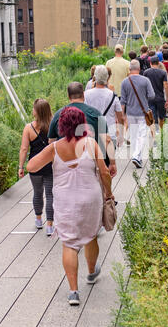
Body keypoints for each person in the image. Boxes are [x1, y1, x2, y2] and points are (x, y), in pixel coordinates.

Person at [27, 107, 114, 306]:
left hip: (65, 202)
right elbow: (104, 173)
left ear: (62, 125)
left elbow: (32, 166)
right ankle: (91, 273)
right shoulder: (90, 144)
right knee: (90, 236)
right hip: (90, 199)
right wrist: (108, 192)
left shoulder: (55, 148)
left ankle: (73, 291)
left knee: (69, 243)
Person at [48, 82, 117, 178]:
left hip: (67, 165)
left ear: (68, 96)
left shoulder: (58, 115)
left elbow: (51, 142)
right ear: (83, 94)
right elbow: (106, 139)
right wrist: (112, 163)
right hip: (93, 164)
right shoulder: (96, 113)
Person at [19, 99, 54, 236]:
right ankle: (50, 225)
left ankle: (39, 220)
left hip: (35, 166)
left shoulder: (29, 128)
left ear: (37, 112)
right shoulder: (53, 125)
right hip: (50, 165)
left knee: (37, 193)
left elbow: (23, 149)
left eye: (34, 109)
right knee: (50, 195)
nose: (32, 111)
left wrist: (21, 166)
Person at [120, 60, 155, 169]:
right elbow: (152, 95)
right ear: (139, 69)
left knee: (134, 136)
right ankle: (136, 156)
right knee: (142, 135)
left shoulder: (125, 82)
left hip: (130, 113)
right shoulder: (145, 80)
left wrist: (122, 115)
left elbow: (123, 101)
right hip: (142, 112)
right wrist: (143, 97)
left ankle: (137, 157)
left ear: (129, 69)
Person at [84, 65, 124, 148]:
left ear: (95, 77)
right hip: (110, 133)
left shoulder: (86, 95)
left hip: (92, 135)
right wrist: (121, 135)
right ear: (107, 77)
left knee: (94, 159)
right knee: (110, 159)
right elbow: (120, 117)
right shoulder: (113, 95)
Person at [144, 56, 168, 131]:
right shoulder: (163, 73)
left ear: (150, 63)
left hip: (150, 98)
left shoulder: (146, 72)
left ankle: (154, 134)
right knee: (161, 117)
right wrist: (167, 99)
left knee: (152, 118)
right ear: (158, 63)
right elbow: (166, 86)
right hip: (160, 98)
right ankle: (161, 132)